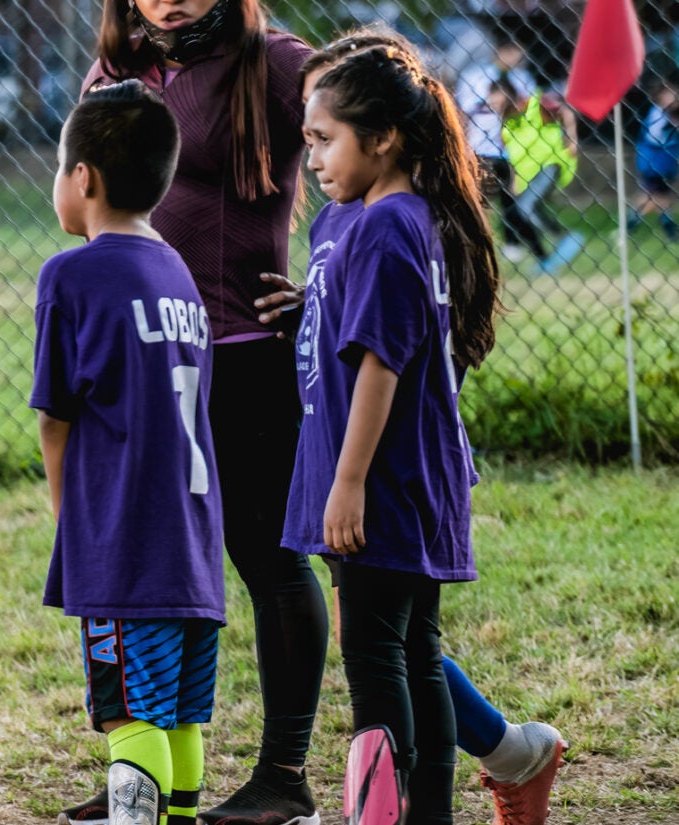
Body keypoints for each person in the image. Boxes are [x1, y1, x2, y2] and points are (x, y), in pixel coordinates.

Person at [299, 32, 566, 825]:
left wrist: (346, 483)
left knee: (379, 661)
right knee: (415, 653)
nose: (310, 158)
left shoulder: (386, 227)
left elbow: (382, 362)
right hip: (404, 475)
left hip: (384, 480)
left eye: (323, 140)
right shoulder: (382, 218)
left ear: (382, 139)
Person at [72, 3, 327, 823]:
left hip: (246, 351)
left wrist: (327, 286)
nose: (167, 1)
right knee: (143, 569)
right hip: (146, 359)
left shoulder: (280, 62)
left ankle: (285, 778)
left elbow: (381, 168)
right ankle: (139, 770)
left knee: (266, 556)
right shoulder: (118, 66)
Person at [35, 79, 224, 825]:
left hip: (124, 544)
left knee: (127, 715)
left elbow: (56, 415)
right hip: (191, 539)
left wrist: (68, 520)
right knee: (177, 711)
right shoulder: (176, 270)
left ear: (83, 178)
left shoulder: (71, 273)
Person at [453, 36, 541, 264]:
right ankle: (473, 245)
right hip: (480, 150)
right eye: (512, 51)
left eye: (519, 53)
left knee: (511, 200)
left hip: (510, 150)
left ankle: (515, 245)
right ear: (500, 50)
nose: (516, 58)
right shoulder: (476, 76)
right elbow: (463, 110)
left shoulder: (523, 78)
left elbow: (530, 111)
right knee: (476, 201)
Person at [501, 88, 582, 274]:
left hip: (550, 163)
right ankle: (548, 254)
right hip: (528, 173)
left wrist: (572, 138)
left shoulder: (532, 104)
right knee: (525, 209)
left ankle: (564, 237)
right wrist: (514, 181)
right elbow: (511, 153)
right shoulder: (507, 119)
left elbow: (564, 110)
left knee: (526, 207)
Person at [633, 79, 679, 239]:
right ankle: (632, 222)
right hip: (654, 160)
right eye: (669, 95)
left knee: (661, 194)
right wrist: (672, 127)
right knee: (654, 194)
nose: (673, 97)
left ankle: (668, 225)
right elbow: (653, 136)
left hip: (666, 160)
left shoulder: (671, 113)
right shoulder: (658, 113)